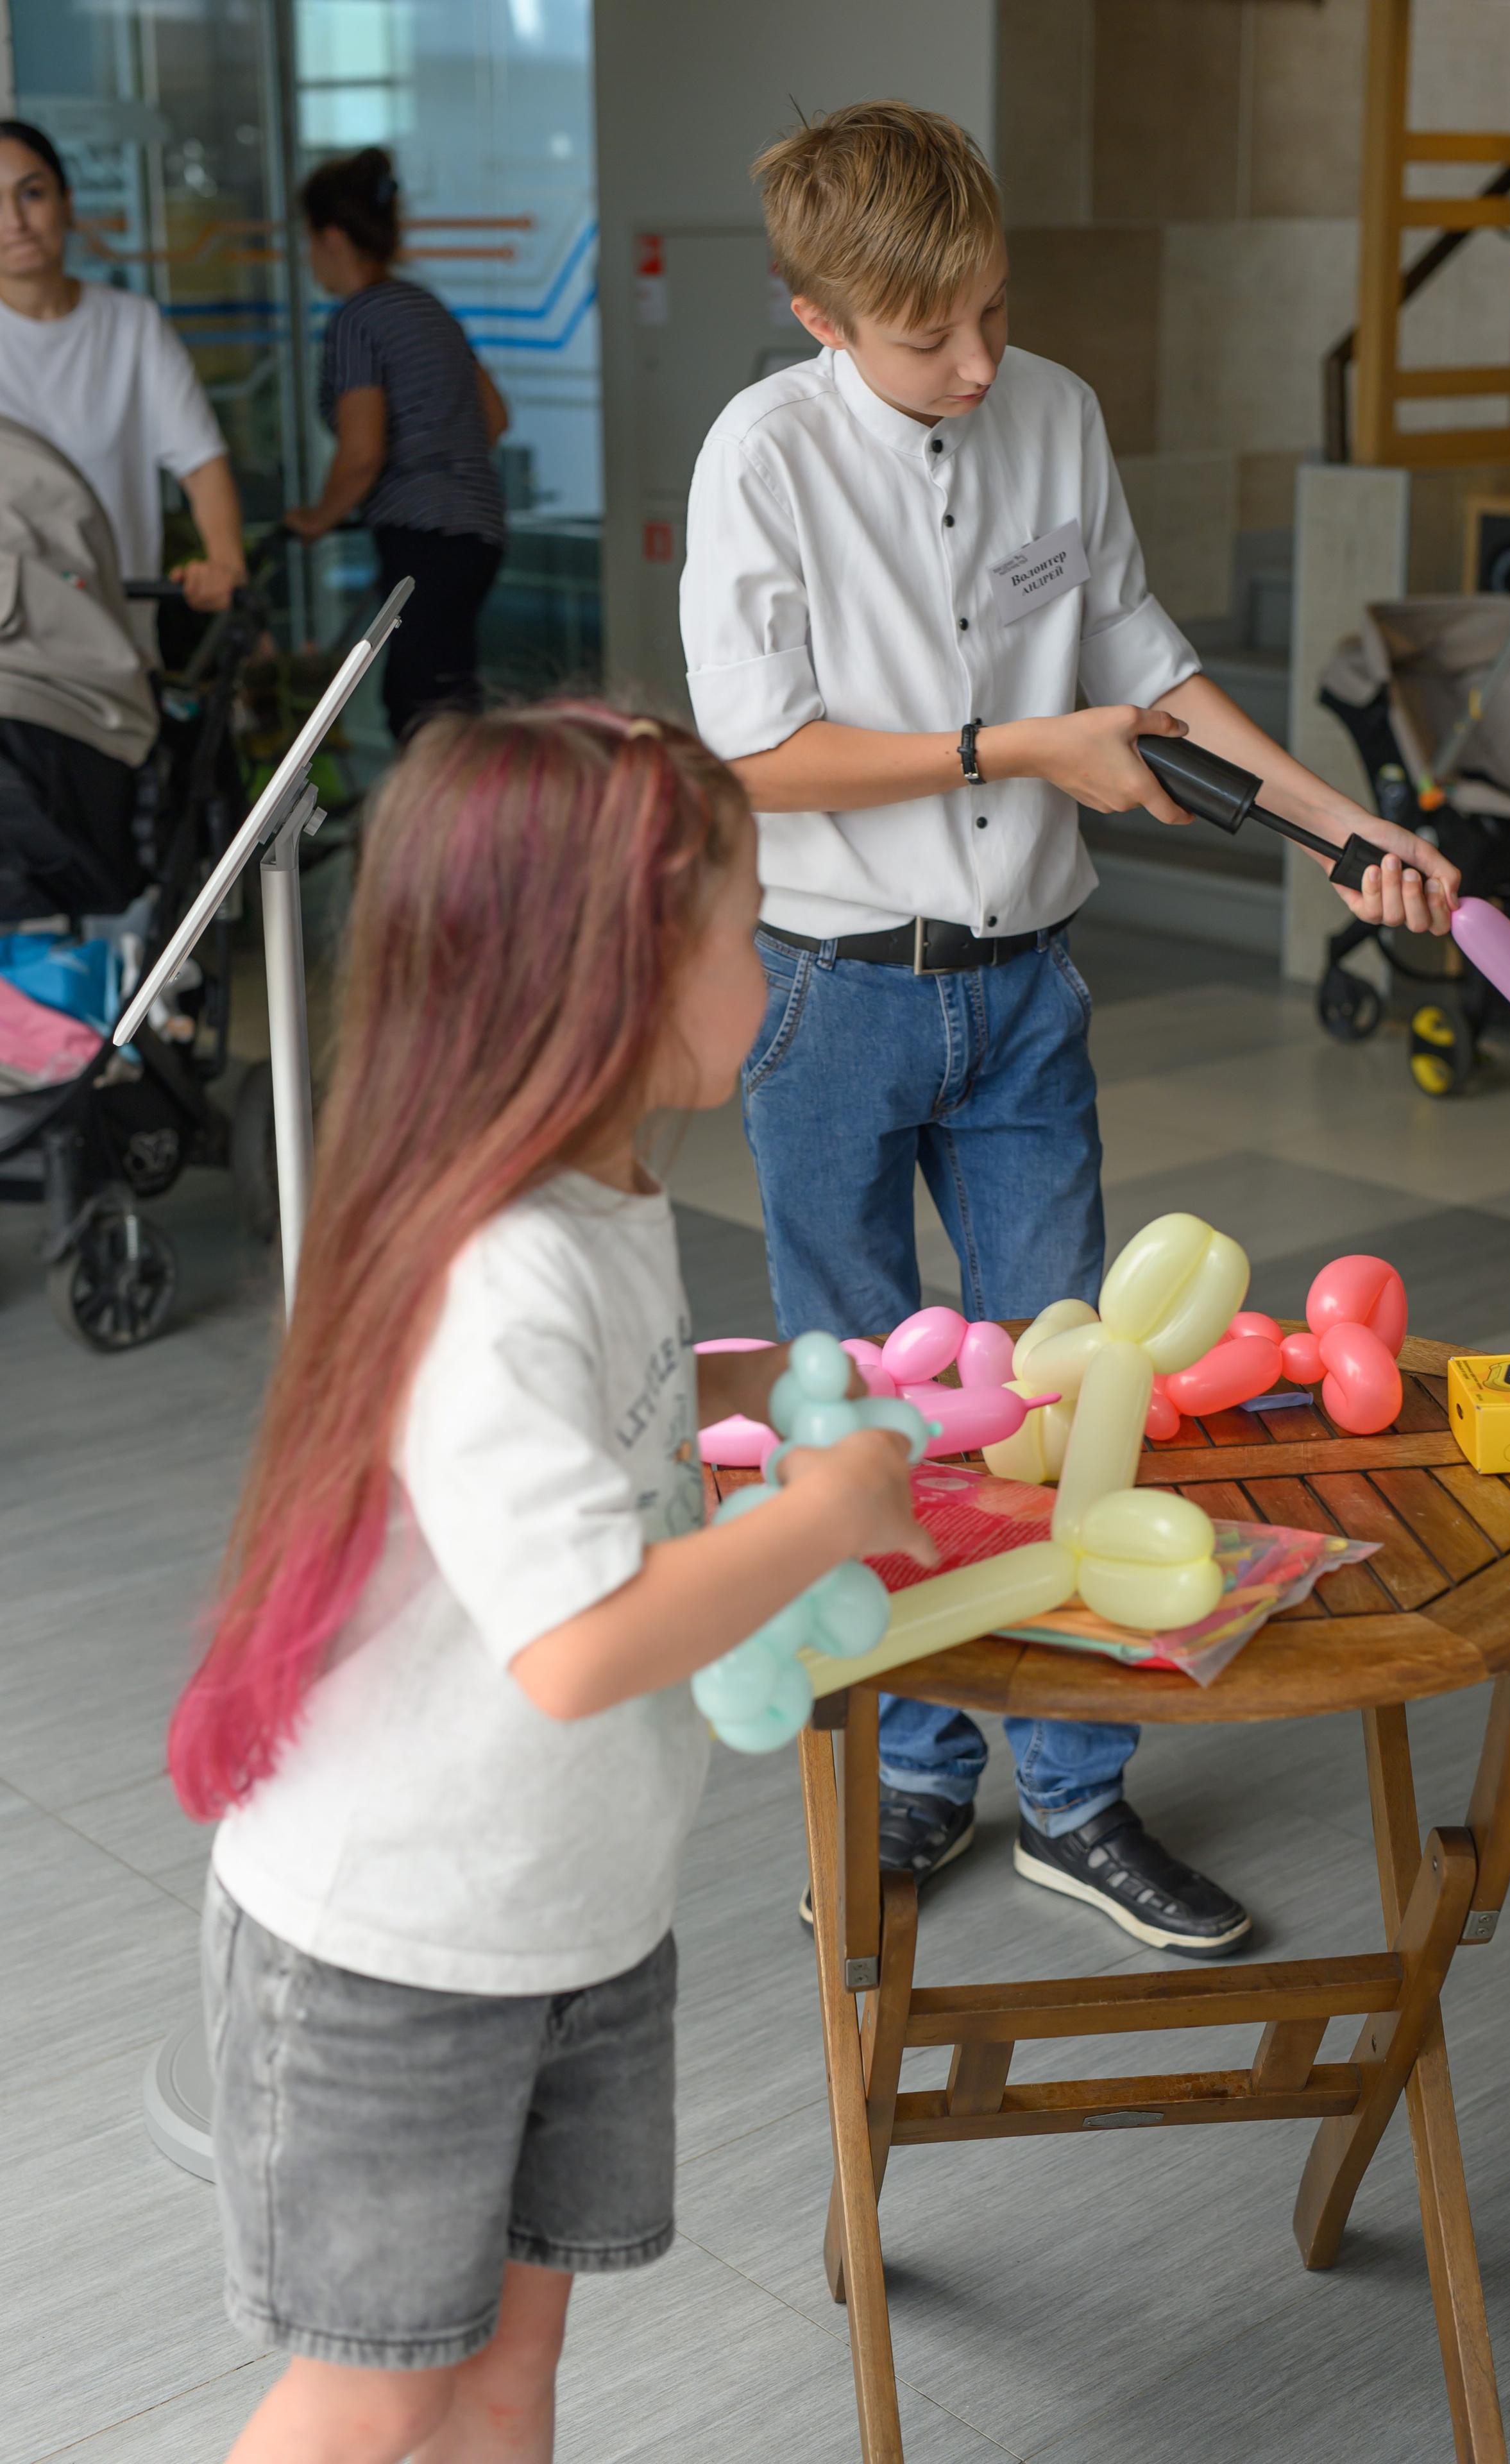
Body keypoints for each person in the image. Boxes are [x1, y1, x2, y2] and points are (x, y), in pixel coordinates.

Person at [679, 103, 1462, 1958]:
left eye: (992, 313)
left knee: (1083, 1400)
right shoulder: (761, 462)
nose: (977, 359)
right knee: (870, 1421)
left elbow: (1143, 655)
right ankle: (927, 1776)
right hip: (830, 999)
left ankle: (1079, 1798)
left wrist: (1338, 821)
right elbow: (761, 761)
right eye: (927, 334)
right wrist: (1027, 748)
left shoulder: (1052, 413)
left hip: (1022, 993)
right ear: (818, 316)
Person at [171, 700, 935, 2463]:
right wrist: (819, 1518)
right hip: (397, 1952)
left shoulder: (596, 1198)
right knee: (376, 2396)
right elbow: (582, 1648)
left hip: (568, 1914)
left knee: (511, 2379)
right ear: (615, 976)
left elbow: (609, 1443)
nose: (774, 961)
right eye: (746, 933)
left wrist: (733, 1394)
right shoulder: (500, 1265)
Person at [287, 146, 509, 741]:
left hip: (424, 538)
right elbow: (494, 417)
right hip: (479, 531)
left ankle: (447, 833)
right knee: (446, 692)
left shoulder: (357, 319)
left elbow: (362, 452)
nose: (311, 261)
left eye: (310, 243)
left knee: (421, 710)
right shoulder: (427, 307)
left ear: (333, 238)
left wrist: (316, 519)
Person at [0, 120, 247, 624]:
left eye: (32, 193)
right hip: (13, 652)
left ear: (67, 203)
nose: (15, 221)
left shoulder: (132, 325)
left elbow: (201, 464)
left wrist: (225, 563)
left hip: (119, 640)